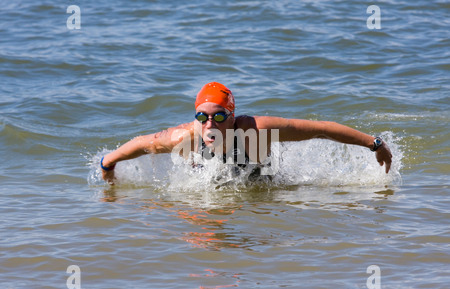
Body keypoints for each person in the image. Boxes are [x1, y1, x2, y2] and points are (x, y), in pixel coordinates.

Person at [100, 82, 392, 184]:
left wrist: (374, 143)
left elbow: (320, 130)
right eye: (202, 116)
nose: (210, 124)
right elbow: (143, 144)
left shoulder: (256, 129)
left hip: (262, 183)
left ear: (232, 116)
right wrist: (108, 164)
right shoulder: (185, 137)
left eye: (219, 116)